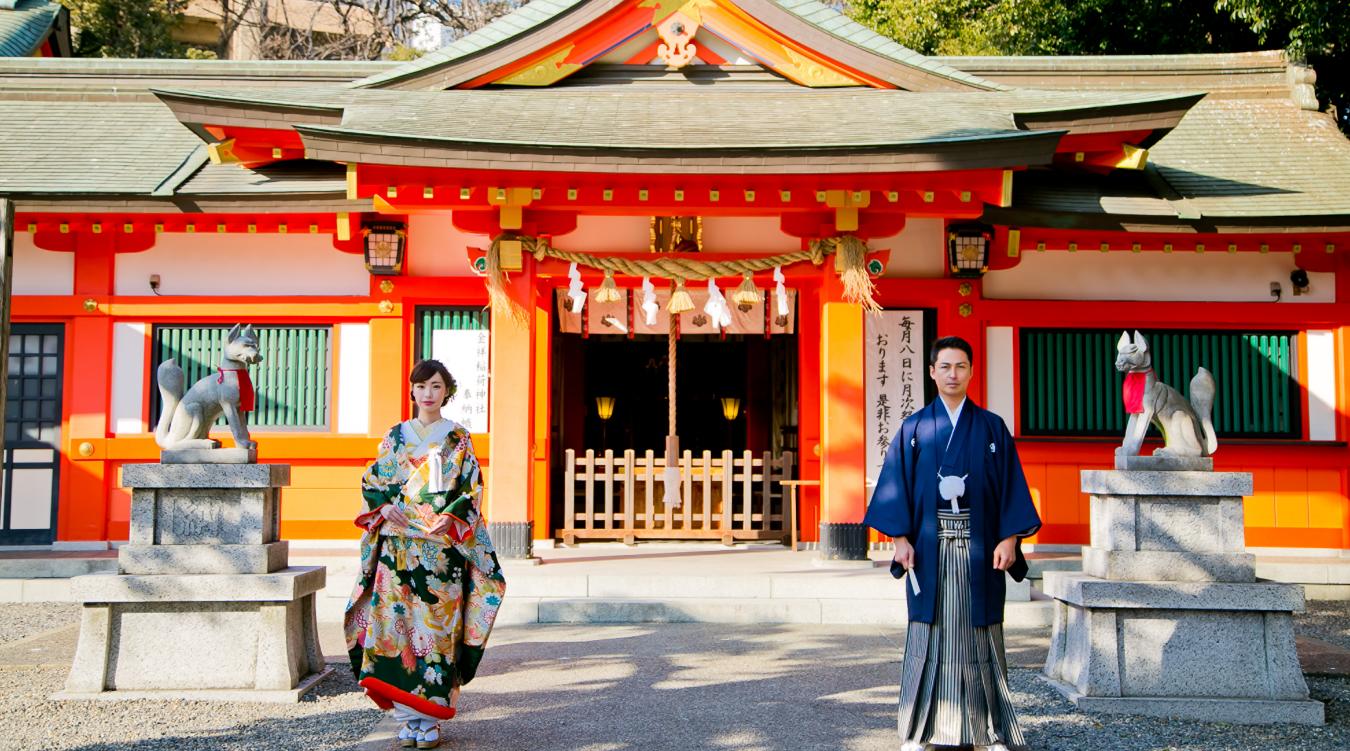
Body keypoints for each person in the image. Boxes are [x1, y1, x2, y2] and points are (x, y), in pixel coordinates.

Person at [864, 336, 1041, 751]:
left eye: (960, 366)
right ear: (931, 372)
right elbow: (897, 487)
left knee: (980, 633)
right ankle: (919, 731)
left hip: (981, 549)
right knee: (929, 633)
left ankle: (987, 731)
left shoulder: (991, 427)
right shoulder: (914, 429)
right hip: (928, 549)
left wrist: (1010, 537)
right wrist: (900, 538)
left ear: (971, 371)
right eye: (944, 367)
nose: (952, 374)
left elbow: (1011, 487)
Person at [345, 359, 506, 750]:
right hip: (397, 549)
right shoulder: (395, 437)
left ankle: (431, 720)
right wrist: (383, 507)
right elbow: (373, 480)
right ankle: (405, 716)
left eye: (436, 386)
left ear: (446, 391)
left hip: (440, 553)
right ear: (412, 391)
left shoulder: (459, 438)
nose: (428, 394)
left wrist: (451, 517)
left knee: (434, 629)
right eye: (421, 386)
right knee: (393, 629)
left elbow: (472, 490)